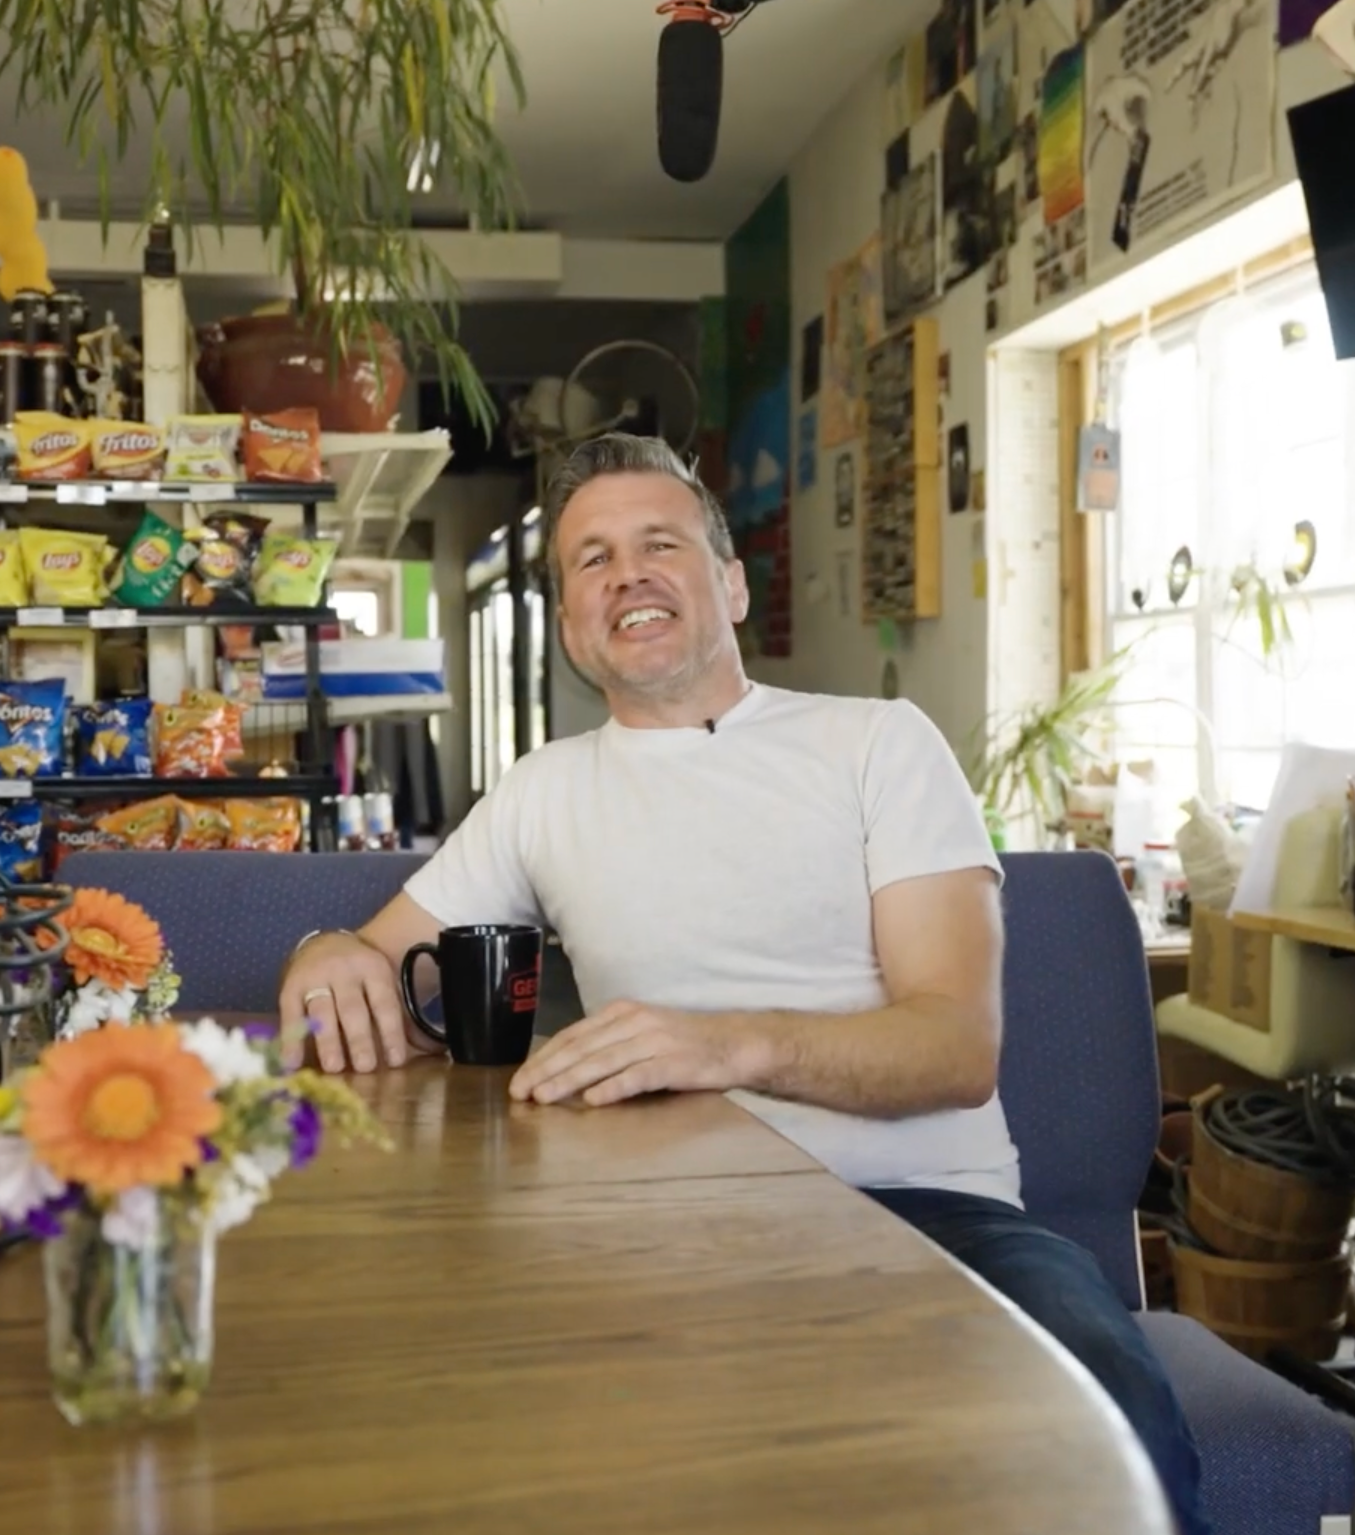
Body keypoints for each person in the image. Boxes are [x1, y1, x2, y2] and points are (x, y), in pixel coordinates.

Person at [278, 433, 1211, 1535]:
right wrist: (319, 950)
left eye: (658, 543)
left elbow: (954, 1048)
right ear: (575, 628)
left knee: (1109, 1410)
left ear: (727, 583)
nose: (627, 574)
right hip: (670, 1235)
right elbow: (363, 957)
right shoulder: (542, 792)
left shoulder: (875, 744)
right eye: (591, 560)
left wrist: (722, 1043)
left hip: (935, 1221)